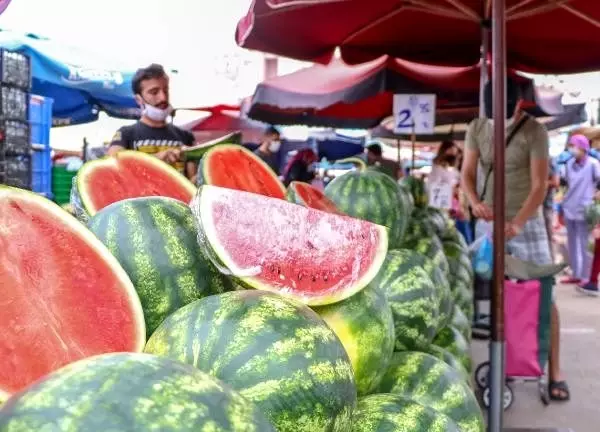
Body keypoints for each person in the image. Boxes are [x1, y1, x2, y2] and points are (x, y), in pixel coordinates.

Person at [461, 77, 569, 402]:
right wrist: (473, 201)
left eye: (506, 111)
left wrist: (519, 222)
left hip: (528, 223)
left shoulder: (535, 131)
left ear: (519, 104)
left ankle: (555, 372)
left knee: (542, 294)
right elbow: (467, 172)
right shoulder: (477, 127)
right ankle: (504, 360)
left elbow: (540, 184)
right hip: (488, 224)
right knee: (493, 294)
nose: (501, 117)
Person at [108, 64, 196, 180]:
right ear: (139, 99)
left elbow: (192, 181)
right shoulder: (125, 134)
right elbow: (113, 165)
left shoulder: (186, 136)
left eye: (165, 90)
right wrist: (158, 158)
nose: (163, 98)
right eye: (154, 92)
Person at [559, 134, 600, 287]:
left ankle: (585, 276)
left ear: (583, 148)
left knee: (585, 243)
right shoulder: (568, 164)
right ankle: (575, 273)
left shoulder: (593, 164)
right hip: (570, 206)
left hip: (586, 208)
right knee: (571, 243)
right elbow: (565, 185)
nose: (572, 149)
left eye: (574, 146)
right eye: (571, 145)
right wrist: (561, 209)